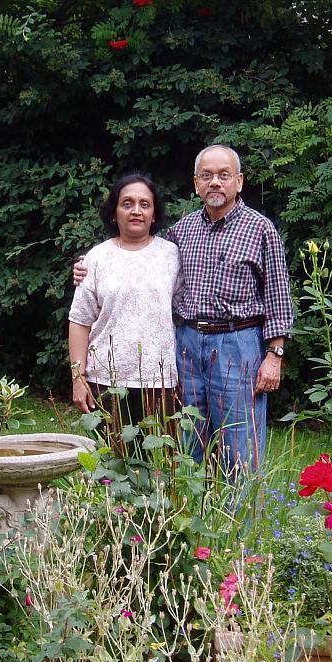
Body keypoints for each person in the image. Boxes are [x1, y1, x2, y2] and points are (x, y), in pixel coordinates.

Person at [75, 145, 293, 478]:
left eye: (223, 175)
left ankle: (237, 526)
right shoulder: (183, 232)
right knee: (188, 443)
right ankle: (192, 522)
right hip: (188, 346)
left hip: (239, 343)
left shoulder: (260, 230)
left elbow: (278, 295)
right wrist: (84, 268)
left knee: (239, 445)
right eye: (207, 176)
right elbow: (139, 264)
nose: (215, 182)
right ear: (196, 183)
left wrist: (274, 355)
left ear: (239, 181)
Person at [68, 173, 182, 449]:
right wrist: (78, 378)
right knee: (111, 465)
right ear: (114, 212)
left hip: (159, 381)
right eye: (127, 203)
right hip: (106, 380)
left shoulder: (172, 255)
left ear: (154, 214)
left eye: (145, 204)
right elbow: (80, 320)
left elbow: (188, 307)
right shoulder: (96, 258)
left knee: (161, 466)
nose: (136, 211)